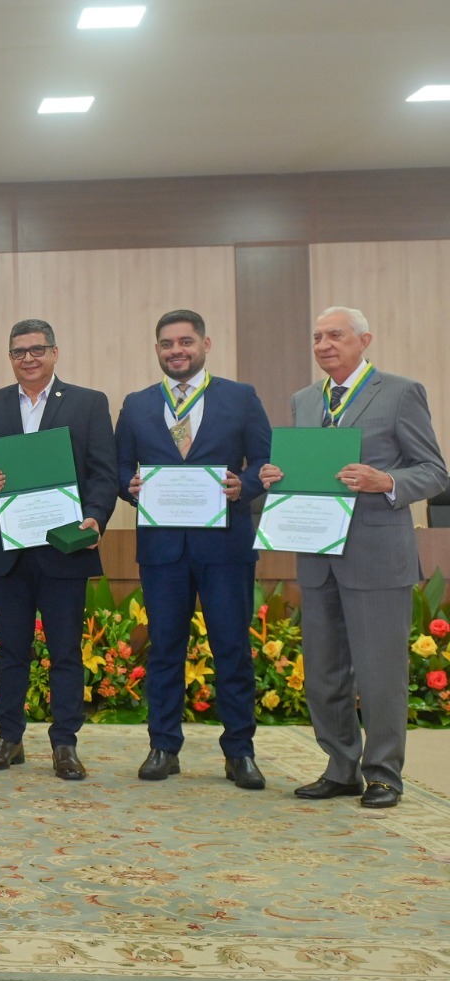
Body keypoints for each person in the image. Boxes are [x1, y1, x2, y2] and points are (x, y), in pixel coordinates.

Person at [259, 306, 447, 809]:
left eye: (336, 335)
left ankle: (384, 774)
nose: (324, 344)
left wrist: (387, 481)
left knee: (379, 670)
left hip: (377, 553)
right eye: (317, 336)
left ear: (365, 339)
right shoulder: (304, 399)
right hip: (318, 555)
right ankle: (340, 767)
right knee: (323, 671)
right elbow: (306, 471)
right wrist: (276, 478)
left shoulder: (401, 392)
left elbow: (434, 471)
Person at [115, 310, 271, 789]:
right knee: (164, 649)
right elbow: (119, 468)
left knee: (231, 647)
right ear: (157, 350)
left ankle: (239, 752)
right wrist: (132, 485)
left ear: (206, 343)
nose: (176, 351)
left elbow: (265, 458)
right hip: (163, 548)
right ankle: (163, 746)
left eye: (185, 341)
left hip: (225, 544)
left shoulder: (240, 397)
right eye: (166, 344)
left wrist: (242, 485)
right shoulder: (138, 403)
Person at [0, 318, 118, 780]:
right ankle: (9, 738)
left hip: (64, 547)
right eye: (18, 352)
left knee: (65, 650)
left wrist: (95, 516)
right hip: (8, 551)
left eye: (37, 350)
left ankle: (65, 743)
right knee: (11, 649)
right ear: (9, 357)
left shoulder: (89, 404)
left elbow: (104, 472)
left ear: (54, 352)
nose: (28, 358)